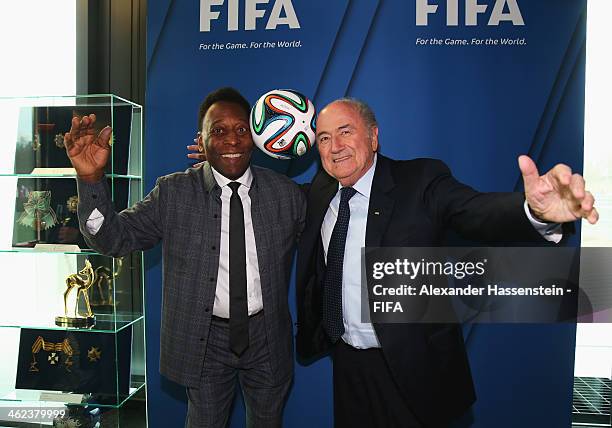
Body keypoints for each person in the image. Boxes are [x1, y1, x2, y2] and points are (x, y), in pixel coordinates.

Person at [295, 98, 598, 428]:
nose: (335, 146)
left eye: (345, 131)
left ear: (373, 136)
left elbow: (475, 211)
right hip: (348, 366)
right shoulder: (320, 193)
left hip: (413, 369)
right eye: (324, 138)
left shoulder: (420, 181)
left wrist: (533, 212)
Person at [65, 87, 306, 428]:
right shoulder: (173, 192)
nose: (232, 141)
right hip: (203, 341)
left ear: (256, 137)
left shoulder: (286, 194)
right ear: (202, 140)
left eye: (241, 130)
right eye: (218, 131)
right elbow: (113, 239)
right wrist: (90, 178)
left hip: (268, 338)